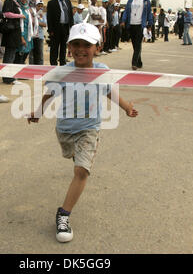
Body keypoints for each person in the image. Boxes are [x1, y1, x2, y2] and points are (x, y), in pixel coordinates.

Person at [27, 23, 138, 243]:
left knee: (81, 171)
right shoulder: (62, 72)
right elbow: (50, 94)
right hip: (65, 130)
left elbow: (109, 92)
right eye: (76, 44)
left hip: (90, 128)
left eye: (87, 44)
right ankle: (78, 162)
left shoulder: (102, 71)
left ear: (97, 47)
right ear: (68, 47)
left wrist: (126, 107)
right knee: (75, 160)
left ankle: (63, 215)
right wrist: (38, 111)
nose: (81, 49)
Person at [120, 0, 153, 70]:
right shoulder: (131, 0)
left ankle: (134, 63)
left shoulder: (145, 0)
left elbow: (149, 13)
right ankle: (139, 62)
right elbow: (126, 11)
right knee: (135, 45)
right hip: (131, 25)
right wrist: (123, 21)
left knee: (138, 44)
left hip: (140, 25)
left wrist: (149, 24)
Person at [47, 0, 74, 66]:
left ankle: (62, 63)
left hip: (65, 27)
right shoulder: (51, 3)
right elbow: (49, 18)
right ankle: (53, 64)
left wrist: (71, 28)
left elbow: (70, 16)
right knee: (54, 48)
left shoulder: (68, 2)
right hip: (56, 28)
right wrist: (50, 30)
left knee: (63, 47)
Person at [14, 0, 36, 65]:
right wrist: (22, 37)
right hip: (21, 35)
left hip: (28, 36)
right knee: (19, 56)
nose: (24, 0)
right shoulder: (17, 9)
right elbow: (19, 25)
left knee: (25, 54)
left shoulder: (27, 9)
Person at [29, 0, 47, 65]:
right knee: (31, 54)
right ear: (35, 6)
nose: (40, 7)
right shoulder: (32, 14)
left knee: (39, 54)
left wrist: (36, 22)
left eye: (41, 6)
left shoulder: (43, 15)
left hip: (40, 36)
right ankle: (31, 68)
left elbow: (45, 24)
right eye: (38, 6)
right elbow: (30, 22)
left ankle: (40, 68)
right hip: (32, 36)